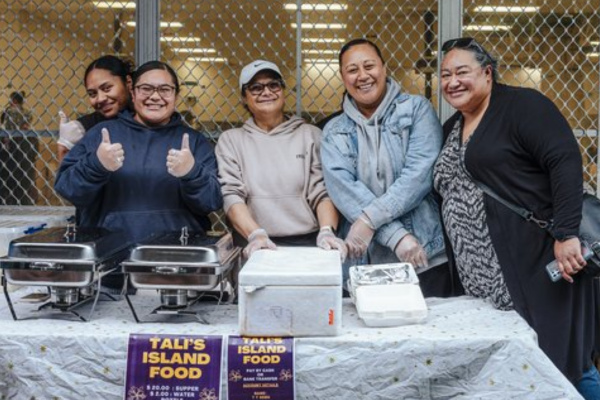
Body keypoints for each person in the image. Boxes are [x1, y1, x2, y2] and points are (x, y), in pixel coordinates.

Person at [433, 37, 599, 398]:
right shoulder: (451, 127)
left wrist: (567, 233)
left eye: (462, 72)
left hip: (537, 263)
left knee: (561, 362)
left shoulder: (523, 106)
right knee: (514, 366)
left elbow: (565, 161)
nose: (452, 82)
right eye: (445, 75)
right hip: (482, 279)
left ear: (488, 73)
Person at [320, 38, 452, 297]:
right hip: (364, 262)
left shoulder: (417, 110)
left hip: (423, 254)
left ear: (384, 67)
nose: (362, 76)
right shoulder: (333, 131)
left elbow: (419, 176)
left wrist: (369, 219)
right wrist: (398, 237)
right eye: (352, 70)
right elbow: (345, 192)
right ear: (343, 77)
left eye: (369, 66)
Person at [55, 60, 222, 250]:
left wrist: (192, 172)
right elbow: (67, 189)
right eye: (146, 89)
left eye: (165, 89)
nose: (155, 96)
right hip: (112, 258)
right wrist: (96, 164)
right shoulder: (102, 134)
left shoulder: (193, 141)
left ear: (176, 96)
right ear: (132, 93)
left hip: (177, 259)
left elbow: (211, 203)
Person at [215, 60, 346, 260]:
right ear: (244, 98)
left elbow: (322, 191)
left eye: (273, 85)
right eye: (256, 88)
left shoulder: (310, 135)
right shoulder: (231, 140)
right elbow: (231, 195)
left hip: (308, 242)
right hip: (253, 242)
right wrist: (256, 234)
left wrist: (327, 230)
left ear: (283, 91)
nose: (266, 92)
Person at [57, 55, 133, 162]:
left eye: (107, 88)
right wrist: (64, 147)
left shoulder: (147, 115)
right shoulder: (86, 128)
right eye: (92, 94)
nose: (100, 99)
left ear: (128, 82)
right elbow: (66, 176)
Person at [1, 91, 35, 205]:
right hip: (21, 155)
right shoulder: (27, 114)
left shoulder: (8, 112)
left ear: (14, 101)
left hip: (13, 153)